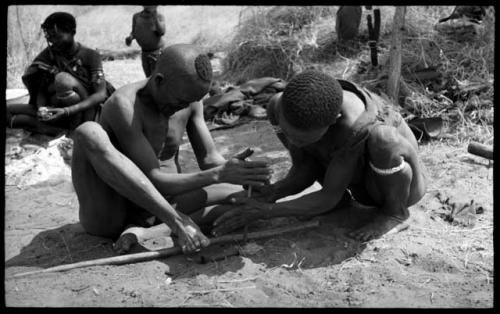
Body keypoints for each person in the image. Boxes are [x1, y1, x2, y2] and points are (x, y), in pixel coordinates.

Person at [71, 44, 272, 254]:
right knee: (89, 132)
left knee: (256, 198)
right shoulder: (125, 106)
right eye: (180, 102)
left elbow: (210, 159)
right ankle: (175, 223)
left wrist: (243, 173)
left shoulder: (190, 100)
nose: (183, 107)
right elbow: (154, 179)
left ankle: (145, 233)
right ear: (159, 81)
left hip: (167, 206)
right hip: (115, 212)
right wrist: (219, 174)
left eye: (191, 102)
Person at [212, 70, 427, 242]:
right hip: (350, 176)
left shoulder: (355, 126)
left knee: (383, 139)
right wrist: (272, 192)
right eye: (289, 134)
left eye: (303, 140)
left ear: (335, 120)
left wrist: (266, 211)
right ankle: (345, 202)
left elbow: (328, 196)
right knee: (316, 155)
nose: (294, 143)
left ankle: (395, 214)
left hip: (395, 185)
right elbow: (304, 167)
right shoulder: (279, 106)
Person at [6, 12, 114, 136]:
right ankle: (61, 131)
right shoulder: (49, 55)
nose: (53, 41)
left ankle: (75, 130)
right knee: (8, 110)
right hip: (54, 107)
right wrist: (42, 107)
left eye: (57, 36)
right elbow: (41, 89)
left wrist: (67, 111)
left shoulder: (90, 55)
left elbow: (100, 94)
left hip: (85, 110)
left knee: (63, 80)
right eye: (50, 37)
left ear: (72, 32)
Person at [125, 6, 166, 77]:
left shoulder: (159, 16)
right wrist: (130, 38)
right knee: (148, 77)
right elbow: (134, 32)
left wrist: (155, 18)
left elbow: (162, 32)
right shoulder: (136, 16)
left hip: (157, 52)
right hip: (144, 52)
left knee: (156, 77)